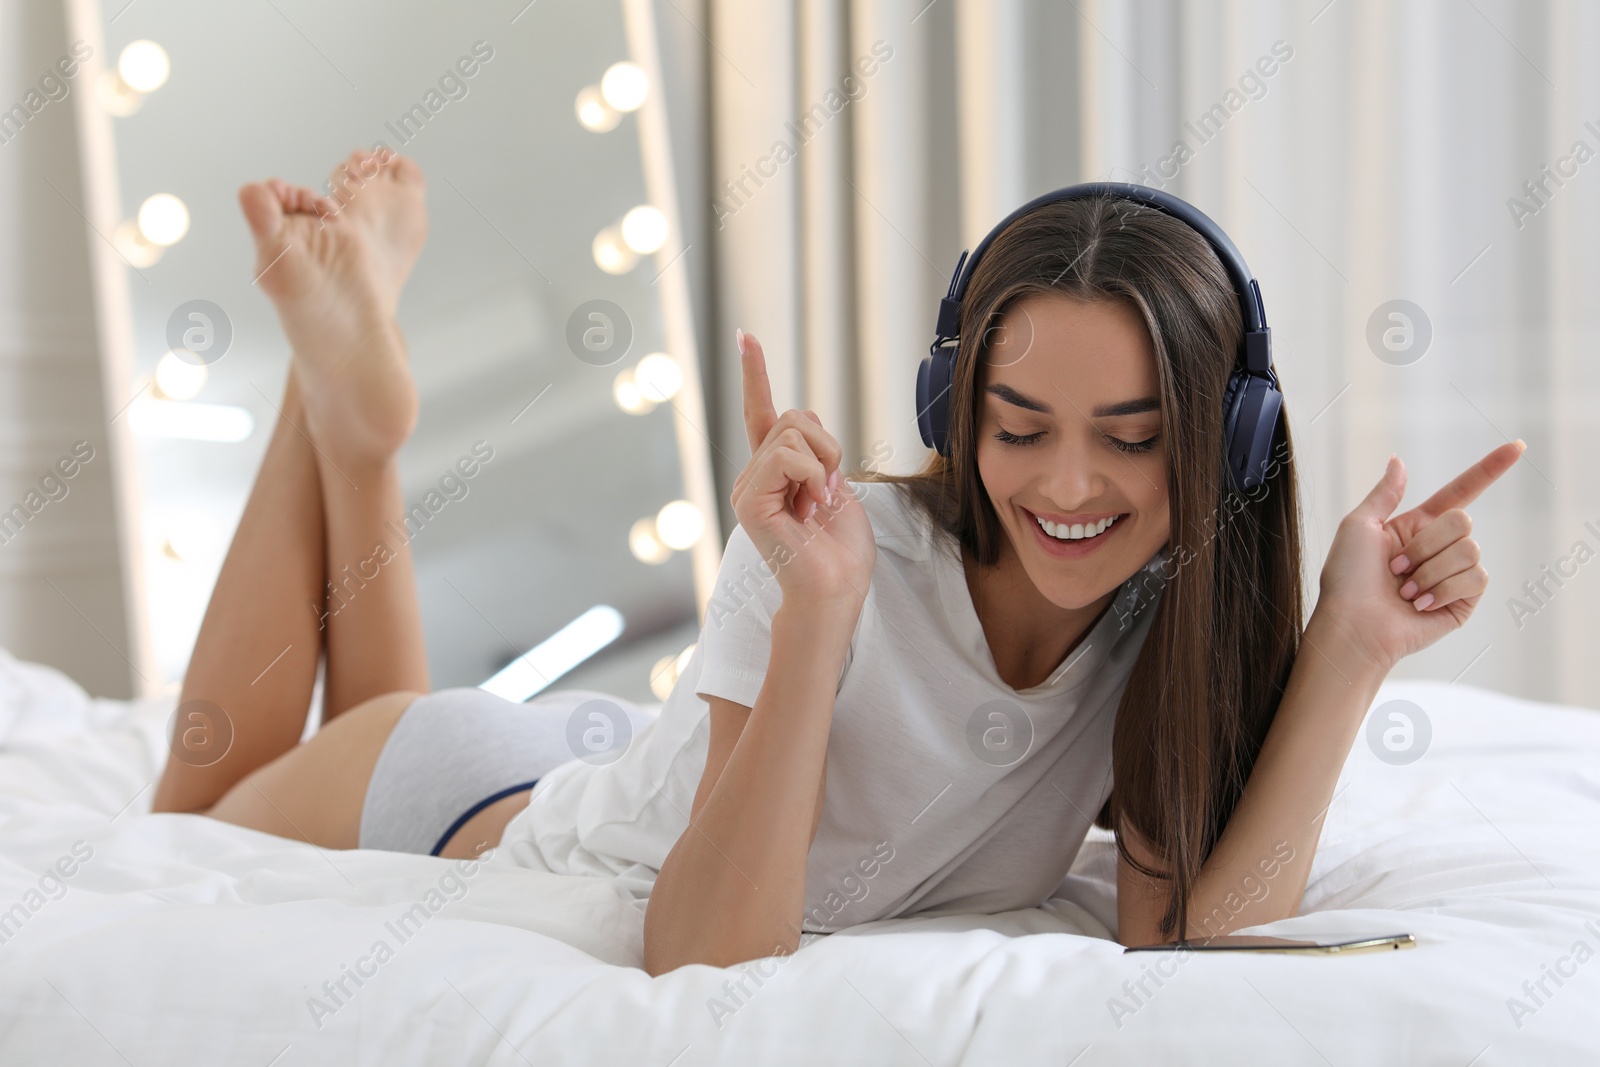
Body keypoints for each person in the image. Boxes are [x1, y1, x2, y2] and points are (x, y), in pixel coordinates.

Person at [152, 148, 1524, 977]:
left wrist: (1347, 649)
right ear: (952, 415)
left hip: (539, 751)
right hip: (477, 795)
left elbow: (1192, 946)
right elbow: (702, 950)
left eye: (1131, 439)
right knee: (182, 816)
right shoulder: (829, 548)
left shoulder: (1158, 623)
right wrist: (817, 616)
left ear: (1230, 441)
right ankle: (337, 415)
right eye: (1019, 427)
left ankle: (352, 416)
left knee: (351, 711)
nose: (1067, 485)